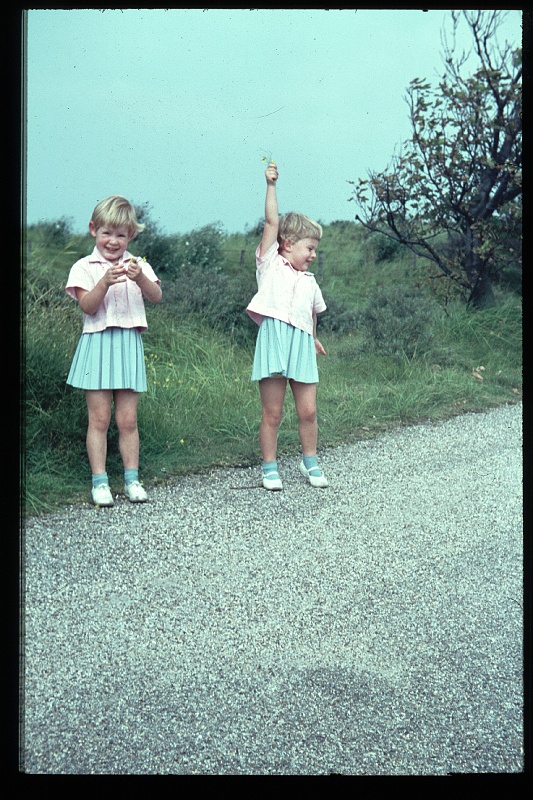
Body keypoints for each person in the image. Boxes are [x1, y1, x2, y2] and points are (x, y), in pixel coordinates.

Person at [65, 195, 162, 507]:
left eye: (121, 235)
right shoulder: (83, 267)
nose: (113, 241)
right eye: (107, 232)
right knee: (99, 419)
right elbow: (88, 306)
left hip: (128, 344)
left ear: (131, 236)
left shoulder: (138, 264)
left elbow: (157, 296)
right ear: (94, 229)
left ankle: (132, 480)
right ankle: (100, 482)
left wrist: (142, 277)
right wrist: (104, 283)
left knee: (128, 420)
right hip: (97, 344)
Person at [246, 162, 329, 490]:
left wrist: (313, 337)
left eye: (315, 250)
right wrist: (271, 185)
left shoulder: (310, 281)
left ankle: (310, 461)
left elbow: (312, 313)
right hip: (273, 342)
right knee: (273, 412)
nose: (312, 255)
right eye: (309, 248)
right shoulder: (269, 264)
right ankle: (269, 467)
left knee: (308, 411)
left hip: (301, 346)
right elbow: (271, 220)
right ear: (287, 242)